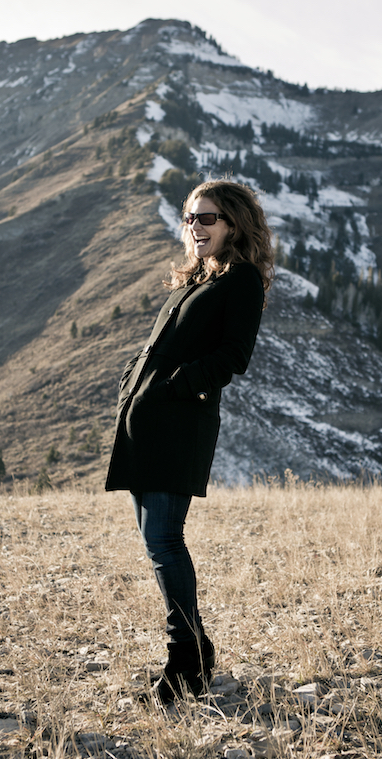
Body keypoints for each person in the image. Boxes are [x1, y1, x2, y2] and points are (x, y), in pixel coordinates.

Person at [105, 179, 274, 703]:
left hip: (179, 425)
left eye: (208, 219)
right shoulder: (194, 278)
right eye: (190, 218)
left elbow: (233, 357)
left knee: (164, 539)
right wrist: (134, 380)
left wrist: (170, 387)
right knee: (157, 542)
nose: (195, 228)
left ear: (233, 224)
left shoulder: (240, 280)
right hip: (145, 422)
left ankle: (187, 659)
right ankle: (193, 651)